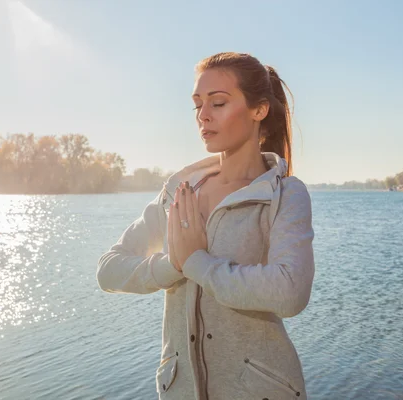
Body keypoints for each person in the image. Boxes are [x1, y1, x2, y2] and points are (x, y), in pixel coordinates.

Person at [97, 52, 315, 400]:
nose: (203, 115)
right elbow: (108, 271)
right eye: (197, 104)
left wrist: (199, 263)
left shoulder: (284, 194)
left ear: (259, 110)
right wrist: (173, 265)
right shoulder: (179, 191)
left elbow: (290, 292)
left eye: (218, 102)